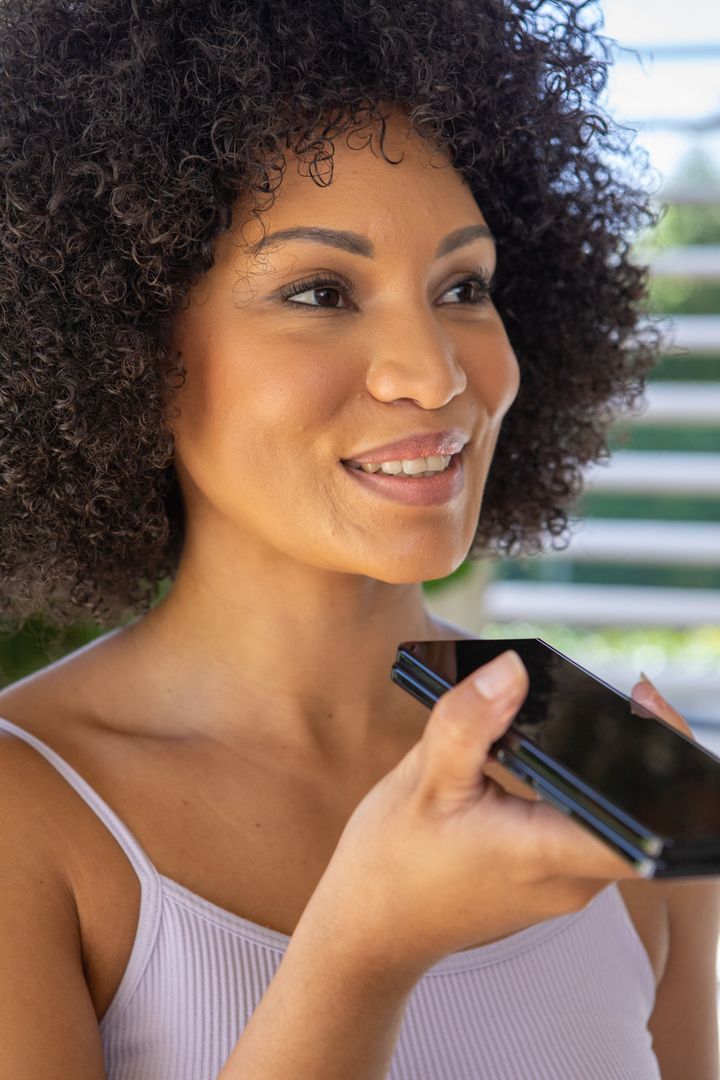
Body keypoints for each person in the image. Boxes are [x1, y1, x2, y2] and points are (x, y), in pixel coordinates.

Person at [0, 0, 717, 1077]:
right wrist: (364, 947)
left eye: (463, 287)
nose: (434, 375)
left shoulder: (599, 792)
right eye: (321, 291)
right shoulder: (31, 821)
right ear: (127, 354)